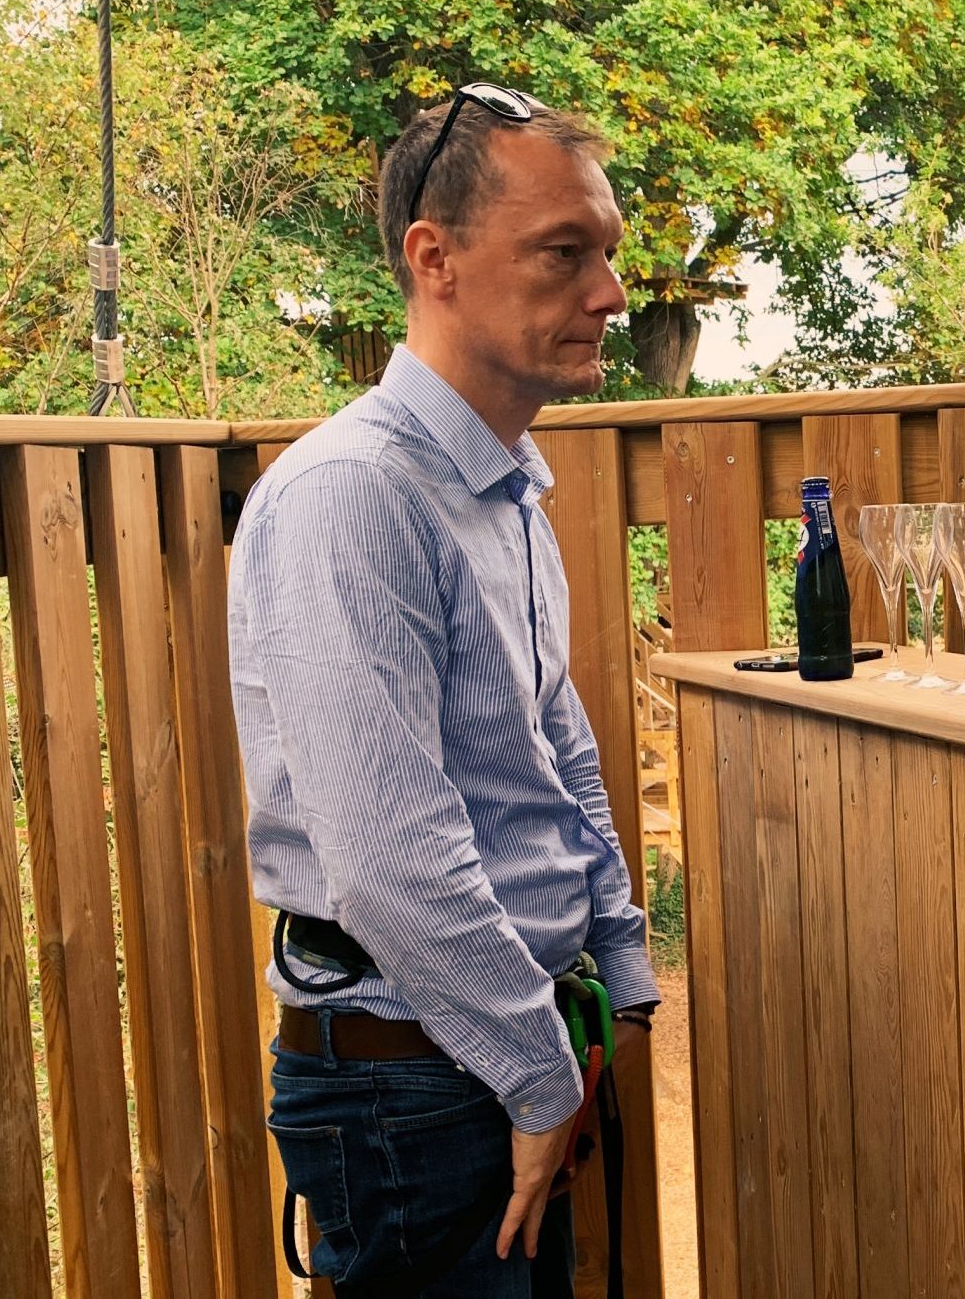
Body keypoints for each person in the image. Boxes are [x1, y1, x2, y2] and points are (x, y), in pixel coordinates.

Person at [229, 84, 659, 1297]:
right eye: (563, 254)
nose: (609, 294)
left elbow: (553, 751)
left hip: (498, 1046)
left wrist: (618, 978)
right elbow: (388, 860)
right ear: (436, 260)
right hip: (407, 1084)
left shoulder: (505, 484)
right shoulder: (353, 495)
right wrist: (535, 1069)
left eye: (608, 255)